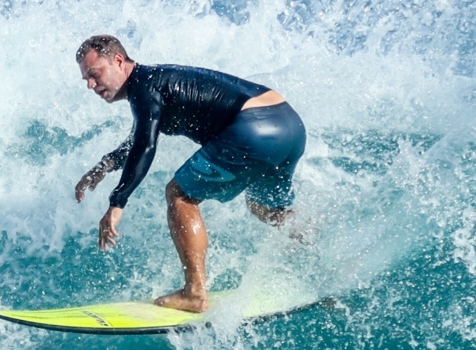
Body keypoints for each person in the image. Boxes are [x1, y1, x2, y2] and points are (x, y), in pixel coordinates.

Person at [71, 35, 304, 313]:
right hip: (288, 126)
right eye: (85, 78)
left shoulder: (144, 88)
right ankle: (312, 242)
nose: (90, 85)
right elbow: (139, 138)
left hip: (252, 128)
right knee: (263, 207)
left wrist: (117, 201)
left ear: (119, 61)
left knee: (179, 194)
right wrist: (105, 165)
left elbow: (146, 145)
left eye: (94, 74)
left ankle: (194, 292)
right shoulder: (153, 81)